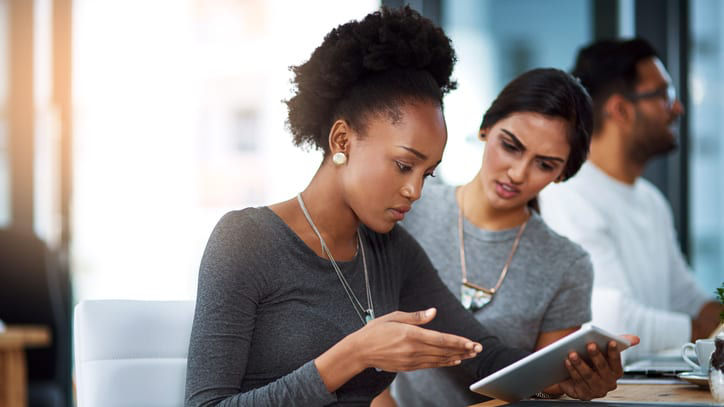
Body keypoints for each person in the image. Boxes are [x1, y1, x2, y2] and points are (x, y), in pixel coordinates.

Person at [185, 8, 636, 406]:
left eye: (428, 173)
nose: (415, 190)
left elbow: (482, 354)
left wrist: (568, 376)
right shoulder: (246, 239)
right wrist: (354, 353)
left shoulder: (390, 251)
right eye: (403, 165)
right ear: (342, 140)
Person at [370, 68, 600, 407]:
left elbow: (541, 391)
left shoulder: (567, 265)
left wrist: (568, 386)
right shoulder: (408, 206)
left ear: (562, 173)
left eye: (545, 164)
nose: (518, 173)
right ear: (485, 128)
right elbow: (361, 341)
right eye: (510, 146)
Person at [540, 38, 720, 361]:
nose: (678, 108)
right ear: (620, 110)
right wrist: (704, 332)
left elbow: (686, 297)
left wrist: (717, 319)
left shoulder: (651, 201)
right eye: (665, 95)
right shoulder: (567, 194)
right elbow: (611, 323)